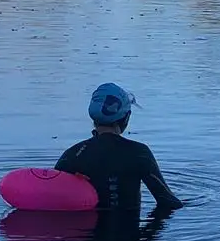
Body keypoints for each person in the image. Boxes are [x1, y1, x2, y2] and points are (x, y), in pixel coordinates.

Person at [55, 83, 184, 215]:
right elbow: (169, 202)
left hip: (85, 233)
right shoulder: (139, 153)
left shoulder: (72, 155)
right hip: (130, 233)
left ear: (93, 117)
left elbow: (53, 198)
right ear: (126, 118)